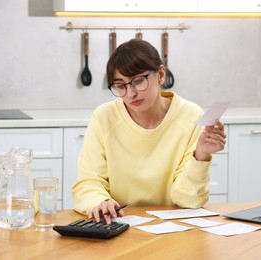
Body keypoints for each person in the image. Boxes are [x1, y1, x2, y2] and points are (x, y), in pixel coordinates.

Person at [72, 39, 226, 223]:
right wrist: (100, 201)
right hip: (118, 226)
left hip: (173, 227)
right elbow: (88, 182)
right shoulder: (104, 116)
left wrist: (200, 156)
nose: (130, 94)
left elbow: (188, 200)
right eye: (121, 86)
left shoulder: (190, 115)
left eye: (137, 81)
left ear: (161, 74)